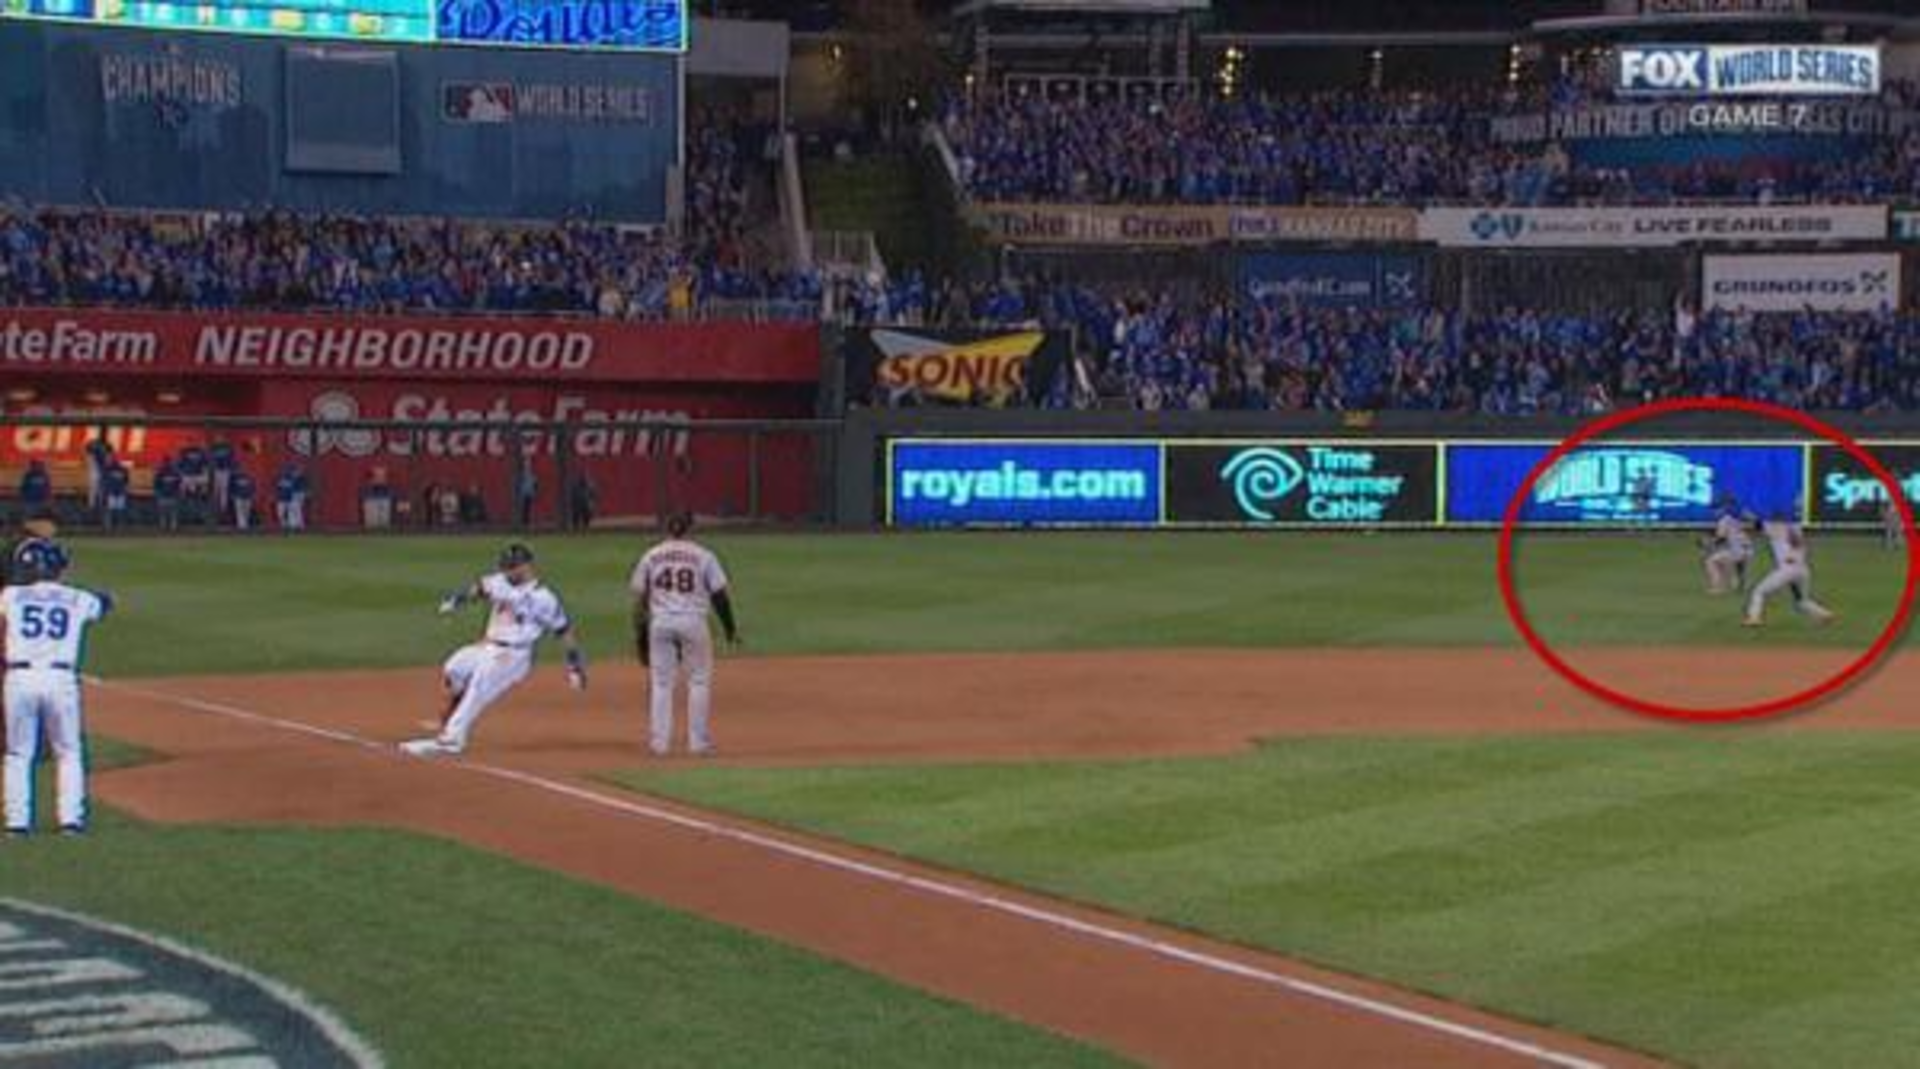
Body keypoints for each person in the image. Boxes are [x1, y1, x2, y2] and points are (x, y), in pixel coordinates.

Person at [401, 544, 586, 757]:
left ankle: (452, 740)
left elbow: (564, 631)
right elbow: (479, 589)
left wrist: (575, 667)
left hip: (513, 655)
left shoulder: (543, 598)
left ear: (526, 566)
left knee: (478, 689)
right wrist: (455, 600)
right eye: (505, 566)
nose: (506, 571)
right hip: (488, 646)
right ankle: (452, 718)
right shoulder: (499, 581)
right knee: (454, 668)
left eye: (511, 567)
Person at [1, 540, 113, 836]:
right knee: (68, 751)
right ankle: (70, 820)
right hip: (60, 680)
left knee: (17, 752)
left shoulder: (11, 596)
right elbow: (103, 605)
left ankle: (17, 822)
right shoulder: (78, 598)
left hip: (19, 679)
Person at [630, 513, 739, 757]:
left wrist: (640, 635)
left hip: (660, 623)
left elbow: (639, 599)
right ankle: (698, 743)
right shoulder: (704, 555)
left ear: (667, 529)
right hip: (693, 622)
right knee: (699, 680)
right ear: (690, 529)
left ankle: (659, 744)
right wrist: (730, 628)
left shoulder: (651, 555)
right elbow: (720, 596)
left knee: (661, 683)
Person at [1744, 514, 1836, 628]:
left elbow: (1758, 524)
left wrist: (1748, 513)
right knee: (1801, 601)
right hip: (1802, 569)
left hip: (1787, 569)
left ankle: (1754, 618)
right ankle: (1824, 614)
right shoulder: (1796, 527)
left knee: (1758, 592)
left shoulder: (1776, 527)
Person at [1701, 500, 1753, 595]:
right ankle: (1741, 585)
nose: (1713, 512)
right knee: (1733, 562)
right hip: (1749, 551)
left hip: (1739, 551)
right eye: (1713, 509)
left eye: (1715, 509)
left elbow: (1721, 538)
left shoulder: (1724, 520)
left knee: (1710, 561)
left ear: (1722, 509)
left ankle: (1718, 587)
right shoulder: (1734, 518)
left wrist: (1708, 545)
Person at [176, 441, 210, 525]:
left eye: (193, 442)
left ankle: (199, 516)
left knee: (200, 496)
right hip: (188, 476)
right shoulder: (184, 452)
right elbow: (179, 465)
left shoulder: (201, 452)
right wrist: (183, 474)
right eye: (189, 442)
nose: (191, 443)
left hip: (198, 476)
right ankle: (186, 516)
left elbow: (206, 464)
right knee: (187, 495)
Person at [275, 462, 308, 531]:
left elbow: (300, 486)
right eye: (284, 470)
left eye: (287, 470)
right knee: (282, 513)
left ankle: (299, 526)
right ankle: (288, 526)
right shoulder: (280, 478)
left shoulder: (295, 478)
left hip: (293, 497)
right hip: (283, 498)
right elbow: (277, 488)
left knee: (296, 511)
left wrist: (302, 496)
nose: (285, 471)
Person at [209, 438, 237, 520]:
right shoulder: (213, 447)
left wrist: (231, 468)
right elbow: (209, 458)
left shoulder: (228, 447)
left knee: (223, 492)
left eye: (221, 438)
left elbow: (232, 459)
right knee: (215, 490)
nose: (219, 439)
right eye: (218, 438)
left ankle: (223, 512)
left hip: (225, 471)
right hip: (216, 471)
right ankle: (214, 510)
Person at [153, 457, 183, 532]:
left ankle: (171, 528)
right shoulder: (161, 473)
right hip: (165, 495)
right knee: (166, 514)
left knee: (171, 514)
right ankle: (166, 528)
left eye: (168, 462)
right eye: (166, 462)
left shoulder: (175, 472)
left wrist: (177, 492)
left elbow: (179, 483)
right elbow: (156, 485)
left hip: (170, 495)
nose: (167, 464)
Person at [101, 461, 130, 532]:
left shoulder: (123, 470)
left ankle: (118, 527)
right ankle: (109, 527)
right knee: (111, 511)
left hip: (119, 493)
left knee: (119, 511)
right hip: (113, 493)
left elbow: (126, 481)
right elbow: (104, 481)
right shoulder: (108, 470)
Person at [230, 466, 257, 531]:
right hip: (238, 497)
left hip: (248, 497)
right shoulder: (235, 478)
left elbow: (253, 487)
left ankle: (245, 525)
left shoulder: (250, 477)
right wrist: (232, 494)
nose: (242, 471)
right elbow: (231, 487)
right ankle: (241, 526)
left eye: (243, 469)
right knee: (239, 511)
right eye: (241, 469)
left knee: (246, 511)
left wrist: (253, 495)